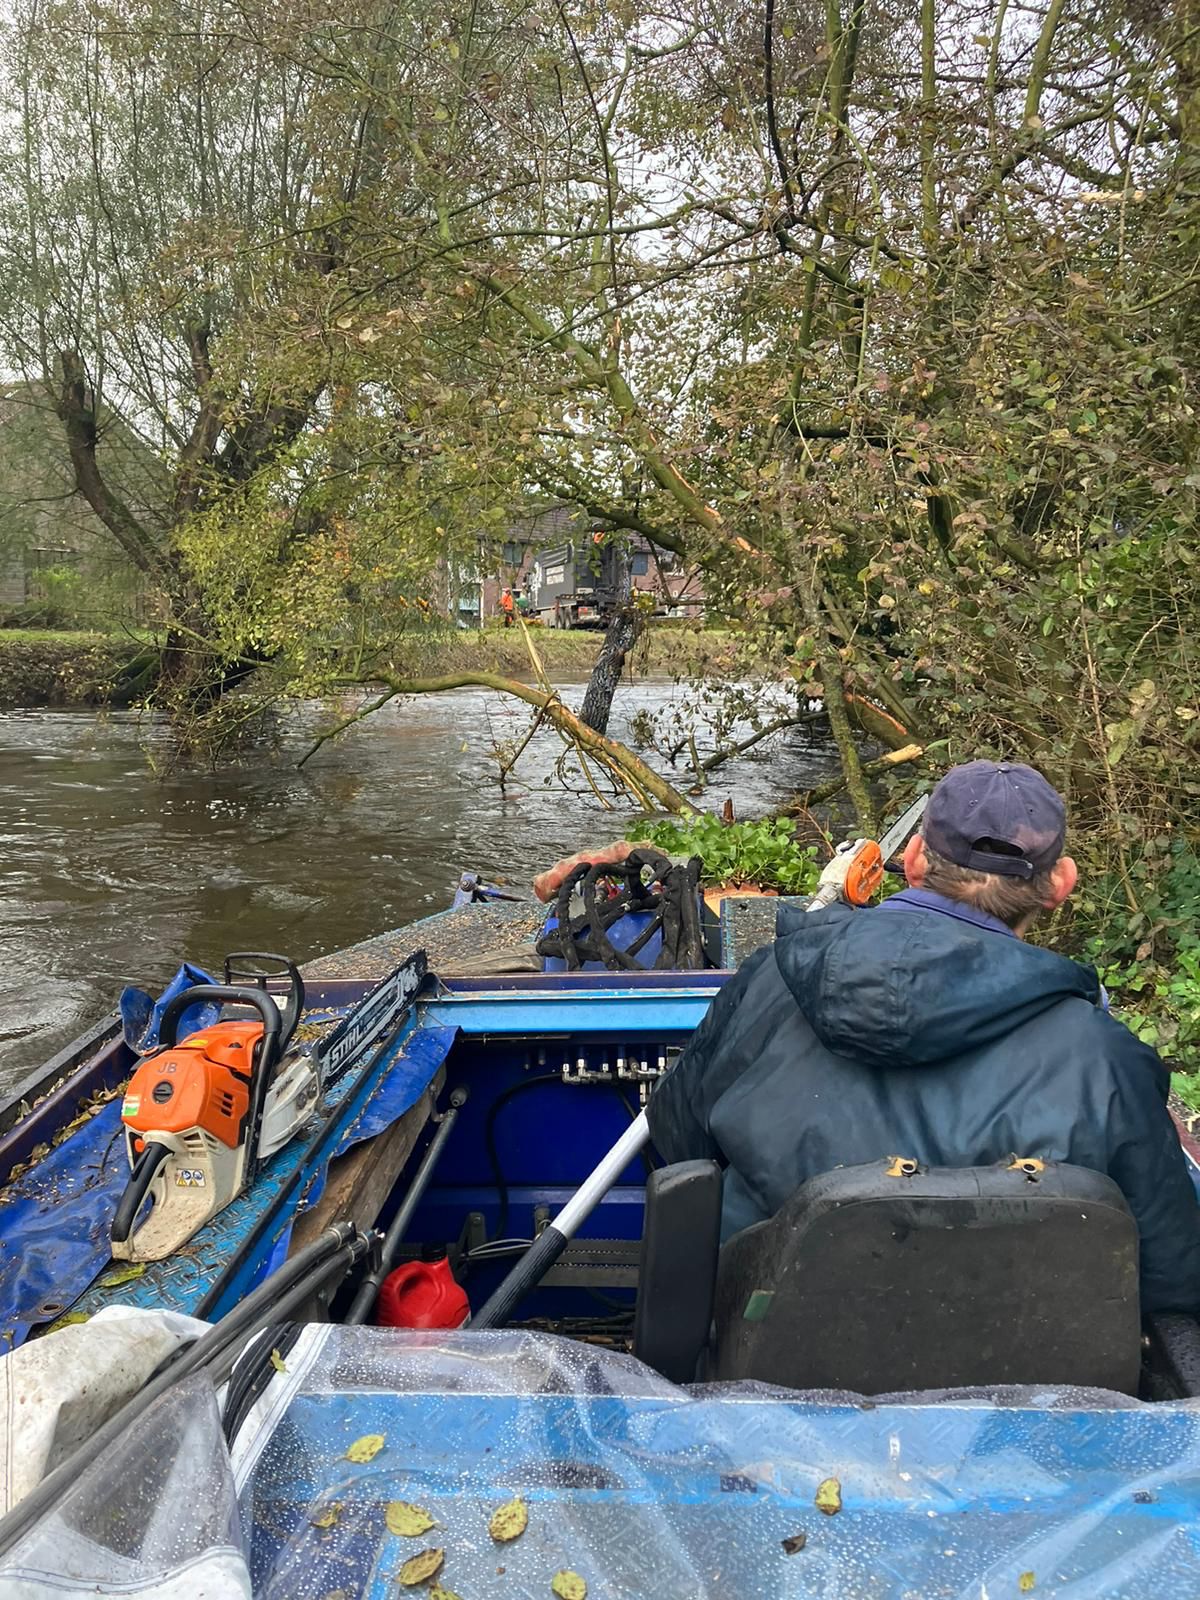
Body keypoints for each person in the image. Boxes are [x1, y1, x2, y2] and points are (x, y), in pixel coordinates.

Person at [647, 760, 1200, 1315]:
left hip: (759, 1361)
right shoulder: (1106, 1060)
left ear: (911, 860)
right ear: (1060, 884)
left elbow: (678, 1146)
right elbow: (1171, 1276)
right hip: (1016, 1374)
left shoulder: (770, 979)